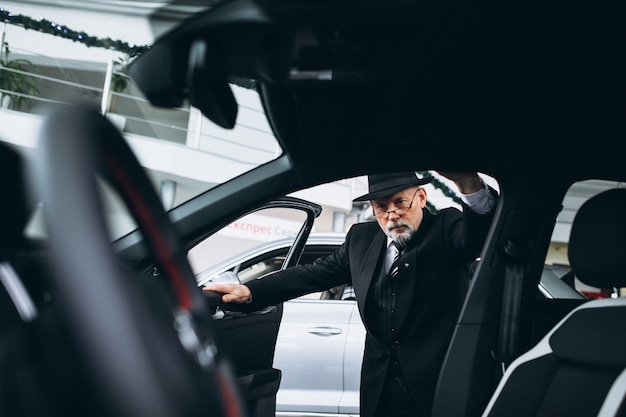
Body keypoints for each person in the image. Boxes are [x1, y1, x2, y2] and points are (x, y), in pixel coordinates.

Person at [205, 171, 498, 417]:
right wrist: (250, 291)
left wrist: (468, 184)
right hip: (380, 385)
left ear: (421, 197)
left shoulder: (447, 228)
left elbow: (480, 236)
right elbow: (313, 274)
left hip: (439, 383)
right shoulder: (361, 239)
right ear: (372, 208)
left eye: (400, 203)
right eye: (381, 207)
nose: (392, 214)